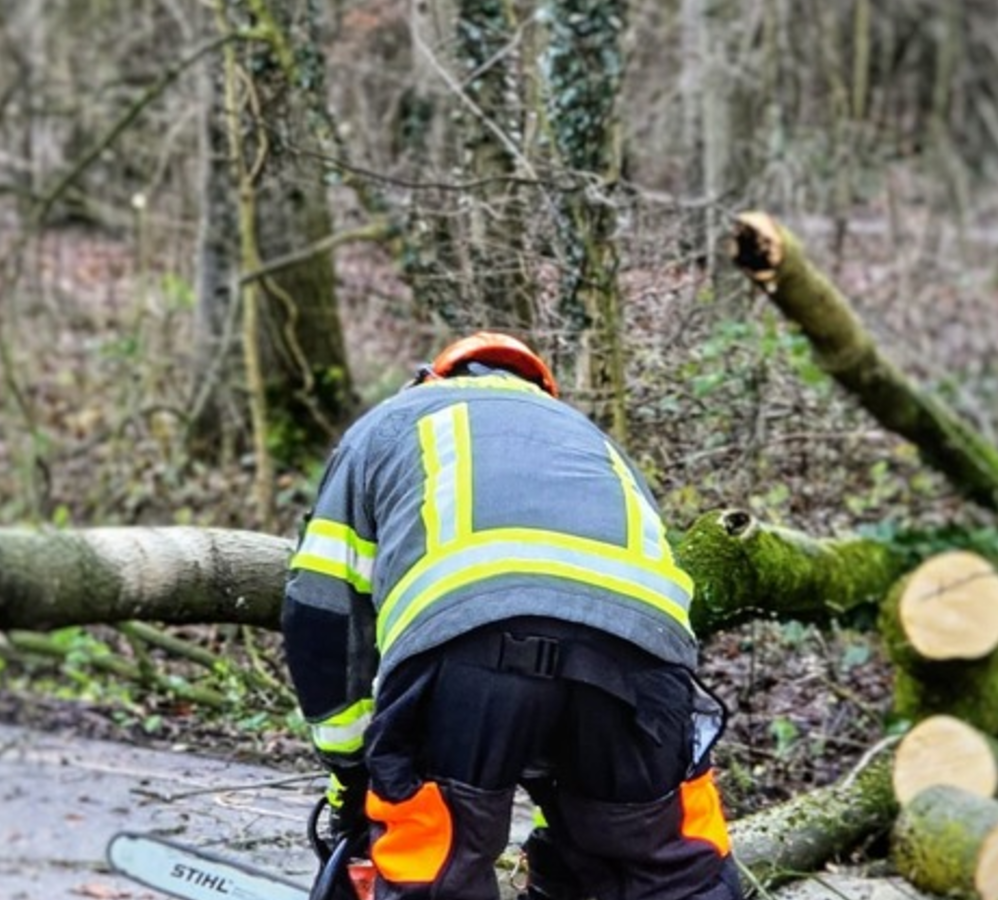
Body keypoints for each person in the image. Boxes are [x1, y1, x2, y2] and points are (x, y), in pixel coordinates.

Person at [281, 332, 741, 900]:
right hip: (641, 664)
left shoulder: (391, 425)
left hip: (466, 645)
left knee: (438, 868)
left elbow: (322, 614)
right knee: (667, 868)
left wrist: (353, 773)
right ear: (542, 391)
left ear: (433, 378)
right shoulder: (594, 443)